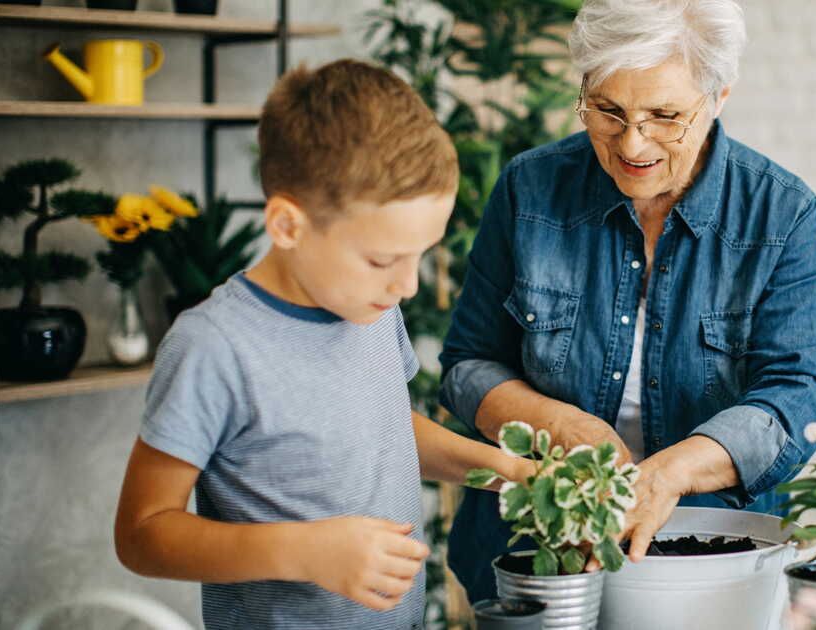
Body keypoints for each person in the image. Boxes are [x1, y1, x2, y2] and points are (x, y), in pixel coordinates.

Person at [440, 0, 816, 602]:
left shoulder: (781, 213)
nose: (632, 142)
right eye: (608, 111)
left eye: (665, 116)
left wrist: (668, 474)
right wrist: (561, 424)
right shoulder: (529, 188)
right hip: (534, 548)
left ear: (719, 97)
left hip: (713, 556)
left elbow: (797, 396)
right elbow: (467, 365)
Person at [113, 59, 532, 629]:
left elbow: (384, 429)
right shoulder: (213, 348)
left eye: (420, 255)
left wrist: (503, 468)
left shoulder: (371, 306)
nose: (408, 284)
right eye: (382, 259)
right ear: (288, 226)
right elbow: (141, 533)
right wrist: (304, 552)